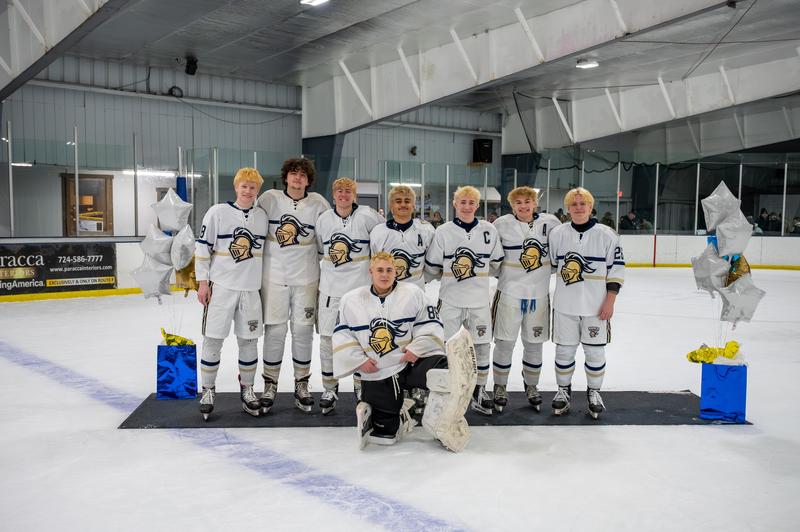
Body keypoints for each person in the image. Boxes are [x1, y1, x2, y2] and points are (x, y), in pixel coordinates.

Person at [332, 252, 477, 451]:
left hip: (410, 363)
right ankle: (395, 411)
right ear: (371, 272)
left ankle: (439, 420)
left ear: (396, 272)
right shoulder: (351, 300)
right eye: (380, 270)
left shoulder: (413, 293)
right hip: (379, 371)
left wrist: (418, 348)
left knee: (446, 371)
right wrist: (358, 361)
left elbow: (431, 324)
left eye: (389, 270)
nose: (384, 275)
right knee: (385, 435)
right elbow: (342, 335)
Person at [256, 158, 330, 415]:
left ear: (309, 180)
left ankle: (302, 383)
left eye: (302, 175)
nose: (298, 178)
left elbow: (327, 240)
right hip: (274, 277)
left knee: (302, 331)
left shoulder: (319, 203)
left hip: (306, 278)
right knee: (275, 331)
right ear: (285, 177)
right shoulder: (269, 199)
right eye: (293, 174)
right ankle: (270, 384)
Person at [195, 167, 268, 420]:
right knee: (213, 340)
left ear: (257, 190)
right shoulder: (217, 212)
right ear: (236, 187)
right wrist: (202, 282)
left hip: (250, 289)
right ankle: (207, 390)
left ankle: (247, 390)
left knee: (248, 341)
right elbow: (203, 248)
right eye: (244, 186)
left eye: (253, 187)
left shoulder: (262, 216)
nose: (248, 191)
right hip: (222, 287)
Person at [425, 185, 504, 415]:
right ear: (455, 204)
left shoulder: (489, 230)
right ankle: (446, 389)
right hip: (450, 300)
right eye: (463, 202)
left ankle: (479, 390)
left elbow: (496, 263)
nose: (467, 206)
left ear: (477, 205)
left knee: (481, 347)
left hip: (479, 301)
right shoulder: (443, 231)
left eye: (471, 202)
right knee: (444, 346)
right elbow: (433, 266)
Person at [548, 187, 624, 419]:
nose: (579, 207)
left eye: (583, 204)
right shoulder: (558, 234)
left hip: (596, 307)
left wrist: (609, 301)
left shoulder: (607, 235)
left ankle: (594, 392)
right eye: (574, 204)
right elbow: (552, 263)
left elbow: (617, 270)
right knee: (564, 352)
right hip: (565, 306)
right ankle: (563, 391)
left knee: (595, 353)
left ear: (591, 207)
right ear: (568, 208)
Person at [316, 177, 384, 414]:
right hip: (330, 291)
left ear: (354, 195)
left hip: (360, 292)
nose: (343, 195)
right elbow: (319, 249)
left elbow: (381, 242)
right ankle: (329, 387)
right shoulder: (324, 219)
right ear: (333, 195)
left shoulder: (368, 216)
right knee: (327, 340)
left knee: (362, 340)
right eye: (339, 191)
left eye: (348, 191)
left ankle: (360, 386)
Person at [491, 187, 560, 412]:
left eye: (527, 201)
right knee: (505, 343)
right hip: (509, 293)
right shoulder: (501, 224)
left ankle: (531, 385)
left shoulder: (551, 223)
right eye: (518, 202)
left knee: (534, 344)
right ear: (512, 206)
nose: (523, 206)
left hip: (538, 295)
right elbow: (491, 257)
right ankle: (500, 386)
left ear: (534, 203)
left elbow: (560, 254)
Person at [370, 185, 436, 414]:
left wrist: (418, 285)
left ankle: (416, 387)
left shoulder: (426, 230)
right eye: (398, 200)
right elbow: (375, 266)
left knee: (418, 340)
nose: (403, 204)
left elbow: (432, 263)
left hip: (416, 294)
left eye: (407, 200)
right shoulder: (379, 232)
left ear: (414, 204)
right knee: (394, 339)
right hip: (389, 296)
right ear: (391, 205)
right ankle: (394, 385)